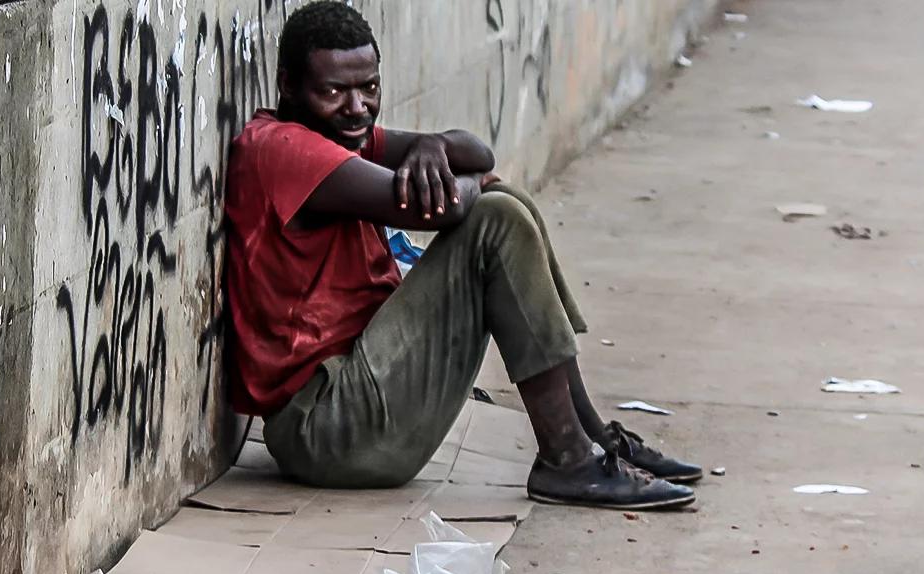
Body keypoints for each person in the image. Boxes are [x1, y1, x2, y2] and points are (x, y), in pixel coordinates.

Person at [224, 1, 700, 510]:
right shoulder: (282, 149)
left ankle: (590, 440)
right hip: (327, 429)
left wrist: (432, 144)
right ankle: (567, 458)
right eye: (334, 91)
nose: (357, 106)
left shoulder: (340, 135)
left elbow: (479, 153)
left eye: (370, 87)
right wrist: (470, 181)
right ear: (288, 86)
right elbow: (439, 209)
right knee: (495, 217)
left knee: (505, 202)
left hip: (356, 393)